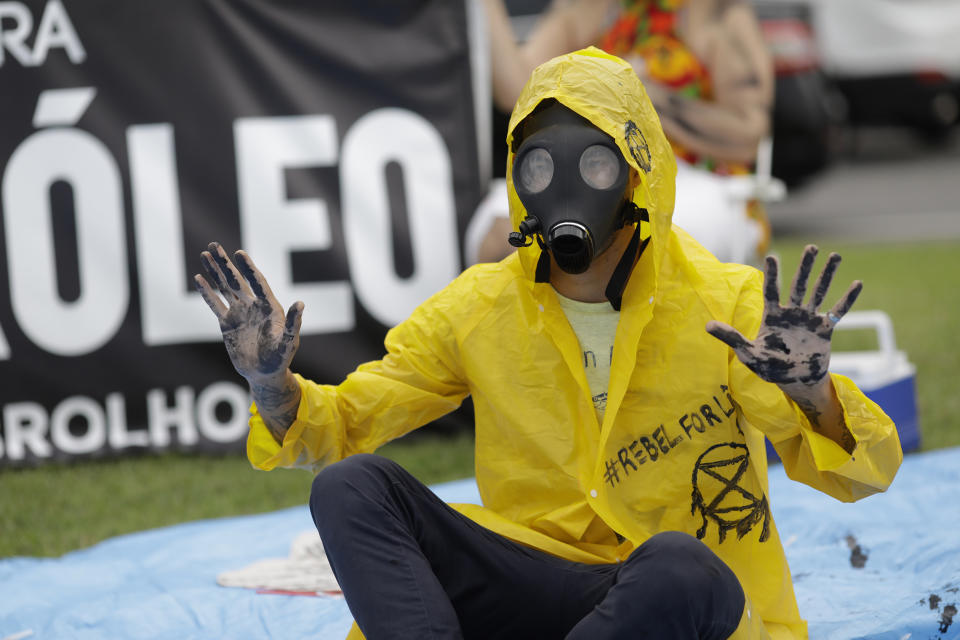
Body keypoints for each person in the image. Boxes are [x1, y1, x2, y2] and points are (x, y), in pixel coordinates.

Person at [196, 49, 901, 639]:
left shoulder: (727, 305)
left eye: (592, 164)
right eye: (538, 168)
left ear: (637, 169)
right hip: (541, 579)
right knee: (351, 487)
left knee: (680, 567)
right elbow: (341, 426)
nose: (564, 188)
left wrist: (812, 395)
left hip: (680, 604)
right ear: (517, 180)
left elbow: (859, 473)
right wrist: (270, 386)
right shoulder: (481, 308)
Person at [471, 0, 776, 266]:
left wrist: (634, 94)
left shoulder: (712, 11)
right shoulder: (584, 7)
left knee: (647, 239)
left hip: (690, 174)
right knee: (500, 236)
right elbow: (519, 90)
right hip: (586, 165)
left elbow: (747, 135)